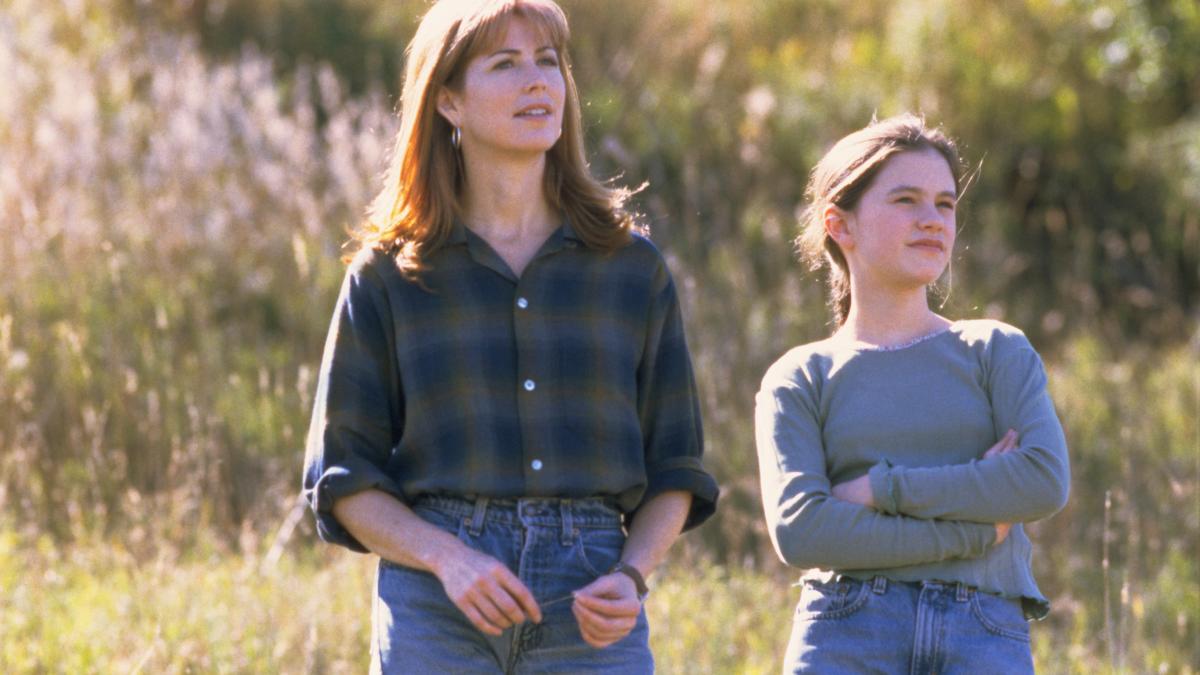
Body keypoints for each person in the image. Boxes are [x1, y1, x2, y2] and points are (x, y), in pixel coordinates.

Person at [301, 1, 718, 672]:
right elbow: (342, 478)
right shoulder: (387, 275)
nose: (538, 82)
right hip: (438, 600)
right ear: (448, 102)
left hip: (591, 603)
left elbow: (676, 467)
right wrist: (447, 554)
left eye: (548, 62)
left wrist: (633, 574)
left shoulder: (631, 270)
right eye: (505, 64)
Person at [755, 114, 1070, 674]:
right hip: (846, 635)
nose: (933, 221)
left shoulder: (996, 350)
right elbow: (802, 532)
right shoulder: (799, 376)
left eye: (945, 204)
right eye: (906, 200)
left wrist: (881, 488)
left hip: (985, 637)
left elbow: (1042, 481)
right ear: (840, 224)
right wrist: (972, 533)